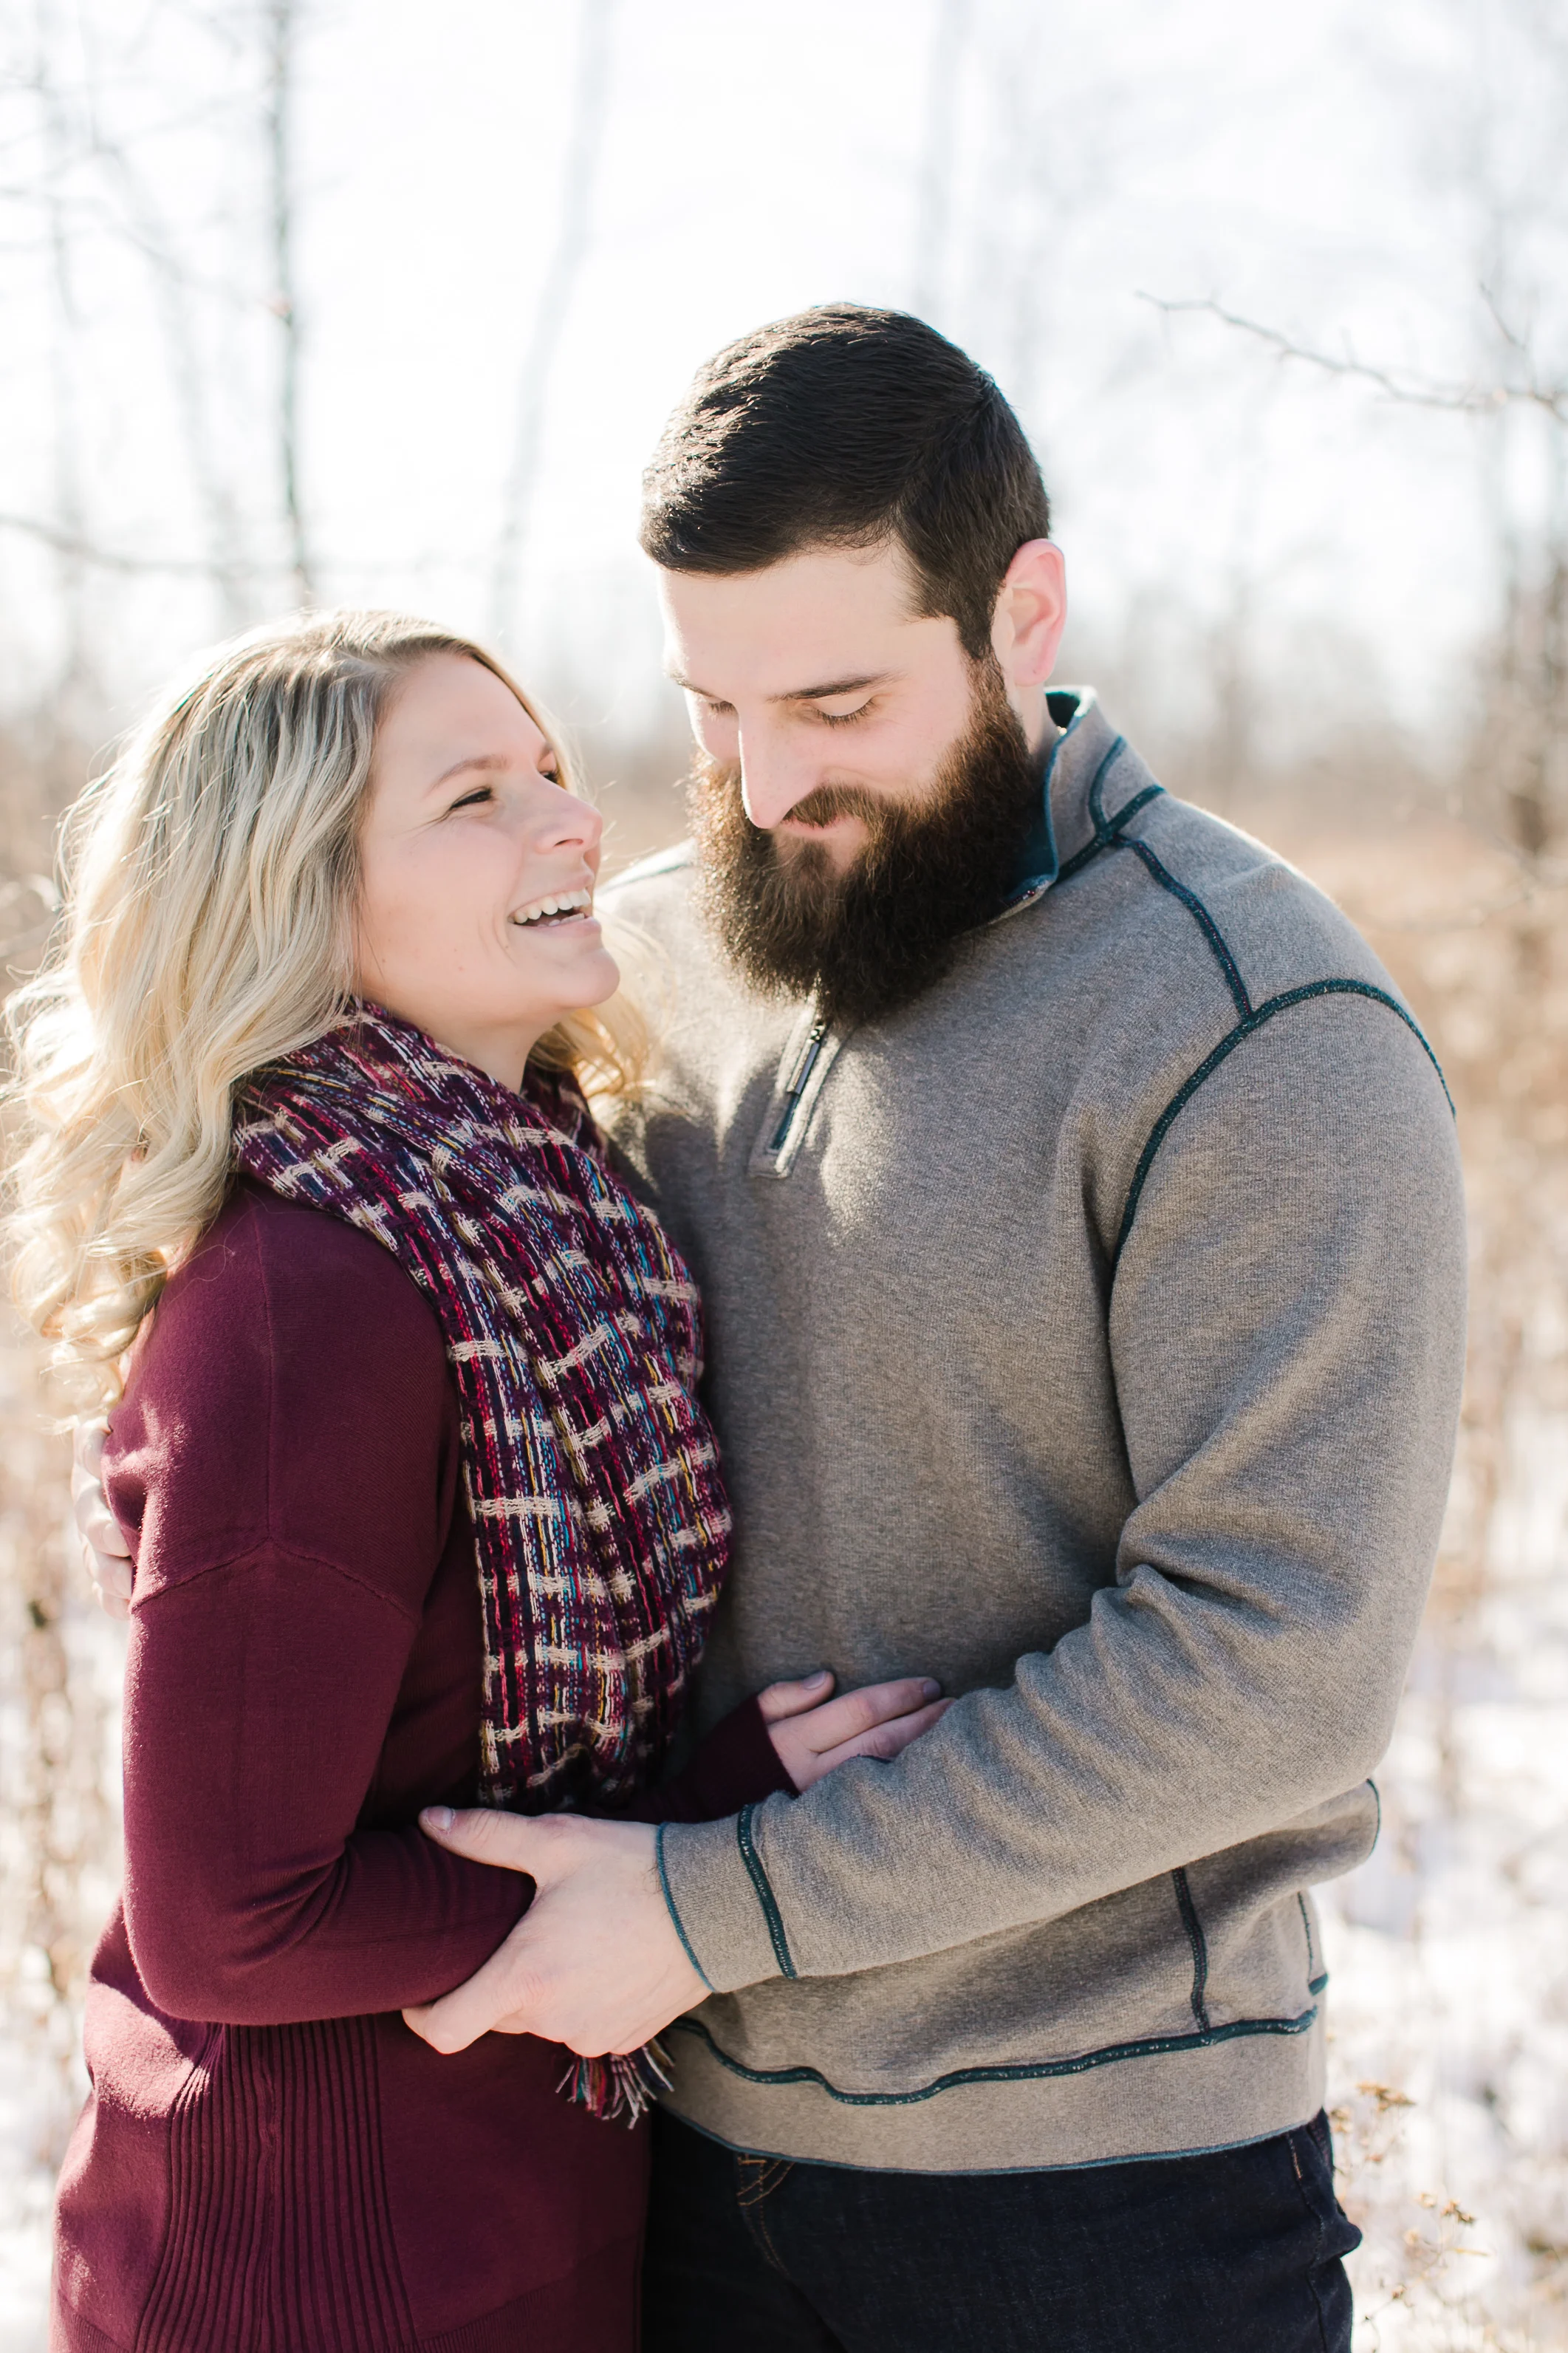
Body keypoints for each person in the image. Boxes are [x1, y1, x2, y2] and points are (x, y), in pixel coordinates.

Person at [319, 309, 1465, 2352]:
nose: (766, 786)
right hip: (664, 2146)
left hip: (1100, 2214)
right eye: (712, 709)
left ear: (1022, 614)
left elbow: (1274, 1659)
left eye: (837, 700)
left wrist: (714, 1907)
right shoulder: (644, 959)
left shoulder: (1252, 1024)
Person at [13, 609, 947, 2353]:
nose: (569, 817)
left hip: (514, 2231)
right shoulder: (312, 1307)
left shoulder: (548, 1220)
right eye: (473, 795)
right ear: (298, 898)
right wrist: (689, 1853)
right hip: (304, 2280)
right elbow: (229, 1917)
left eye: (549, 771)